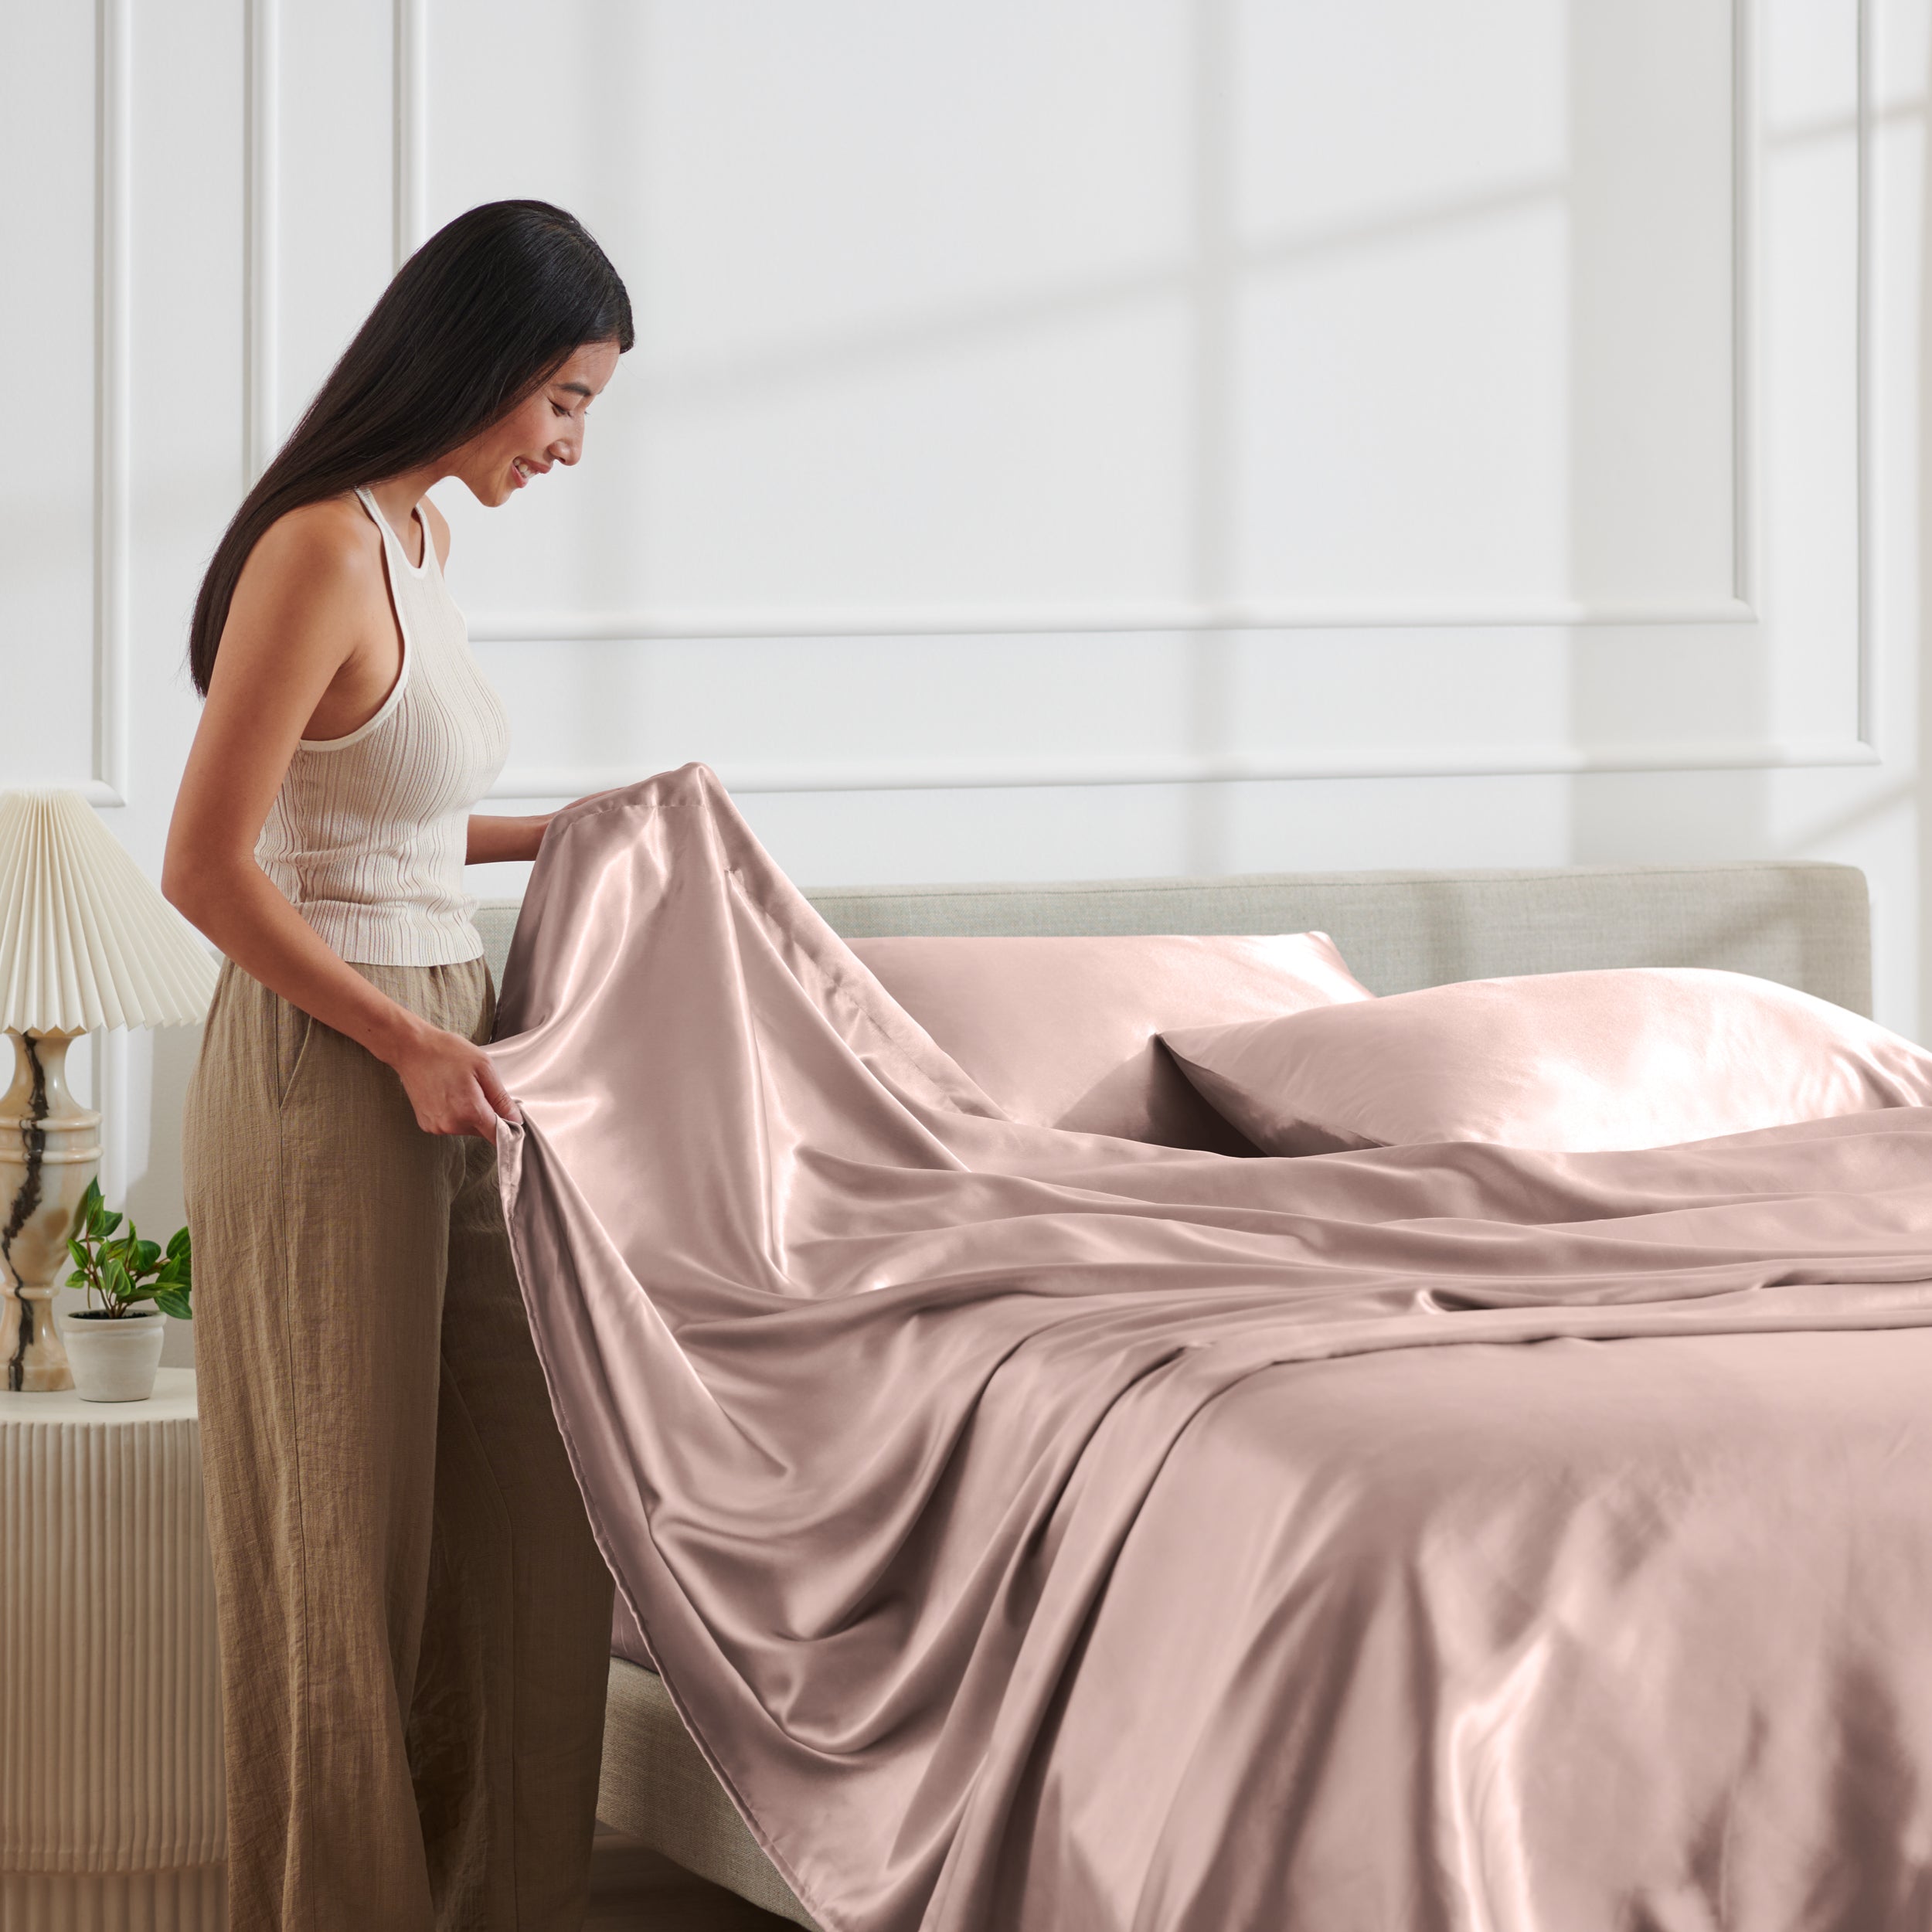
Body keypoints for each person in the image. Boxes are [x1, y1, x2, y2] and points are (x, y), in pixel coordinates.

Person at [164, 199, 629, 1931]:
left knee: (527, 1515)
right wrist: (403, 1037)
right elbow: (210, 867)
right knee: (339, 1556)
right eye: (565, 399)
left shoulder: (419, 542)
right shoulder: (316, 547)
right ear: (491, 358)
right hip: (331, 1056)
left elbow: (396, 824)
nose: (570, 444)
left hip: (449, 1031)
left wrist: (582, 823)